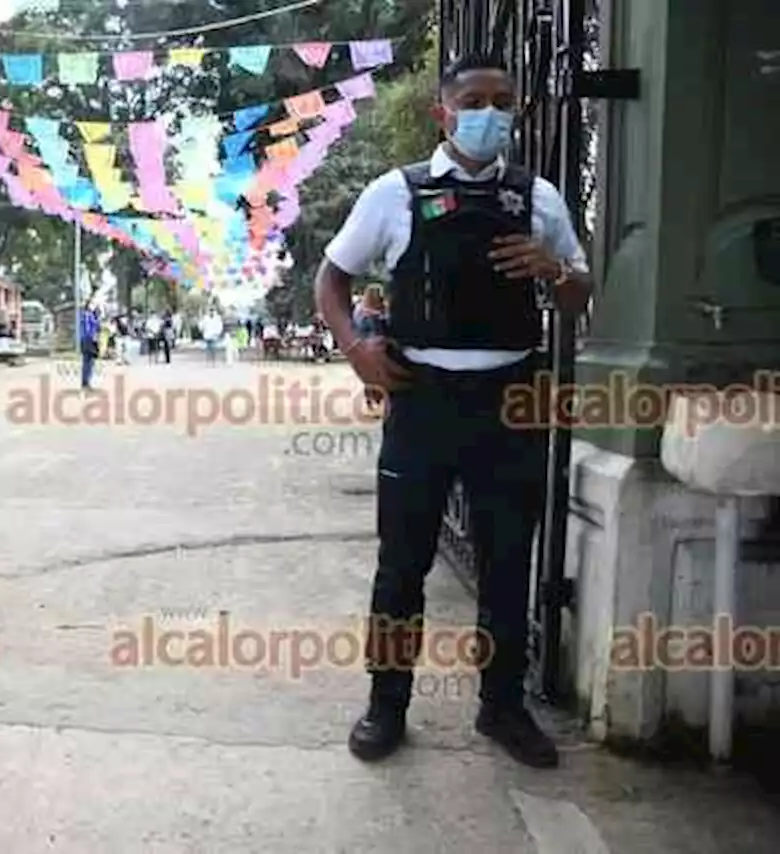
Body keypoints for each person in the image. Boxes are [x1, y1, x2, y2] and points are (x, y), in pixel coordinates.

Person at [314, 53, 592, 769]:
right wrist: (355, 348)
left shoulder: (540, 198)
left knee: (507, 566)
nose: (489, 113)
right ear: (444, 111)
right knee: (400, 565)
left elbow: (579, 290)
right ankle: (385, 706)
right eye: (474, 99)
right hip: (421, 402)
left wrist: (554, 270)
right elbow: (333, 276)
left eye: (503, 101)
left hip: (511, 403)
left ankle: (502, 709)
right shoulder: (394, 193)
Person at [79, 306, 100, 389]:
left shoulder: (84, 317)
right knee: (89, 362)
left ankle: (85, 381)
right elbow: (93, 329)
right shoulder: (89, 317)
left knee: (86, 362)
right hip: (89, 340)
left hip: (85, 340)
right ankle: (86, 382)